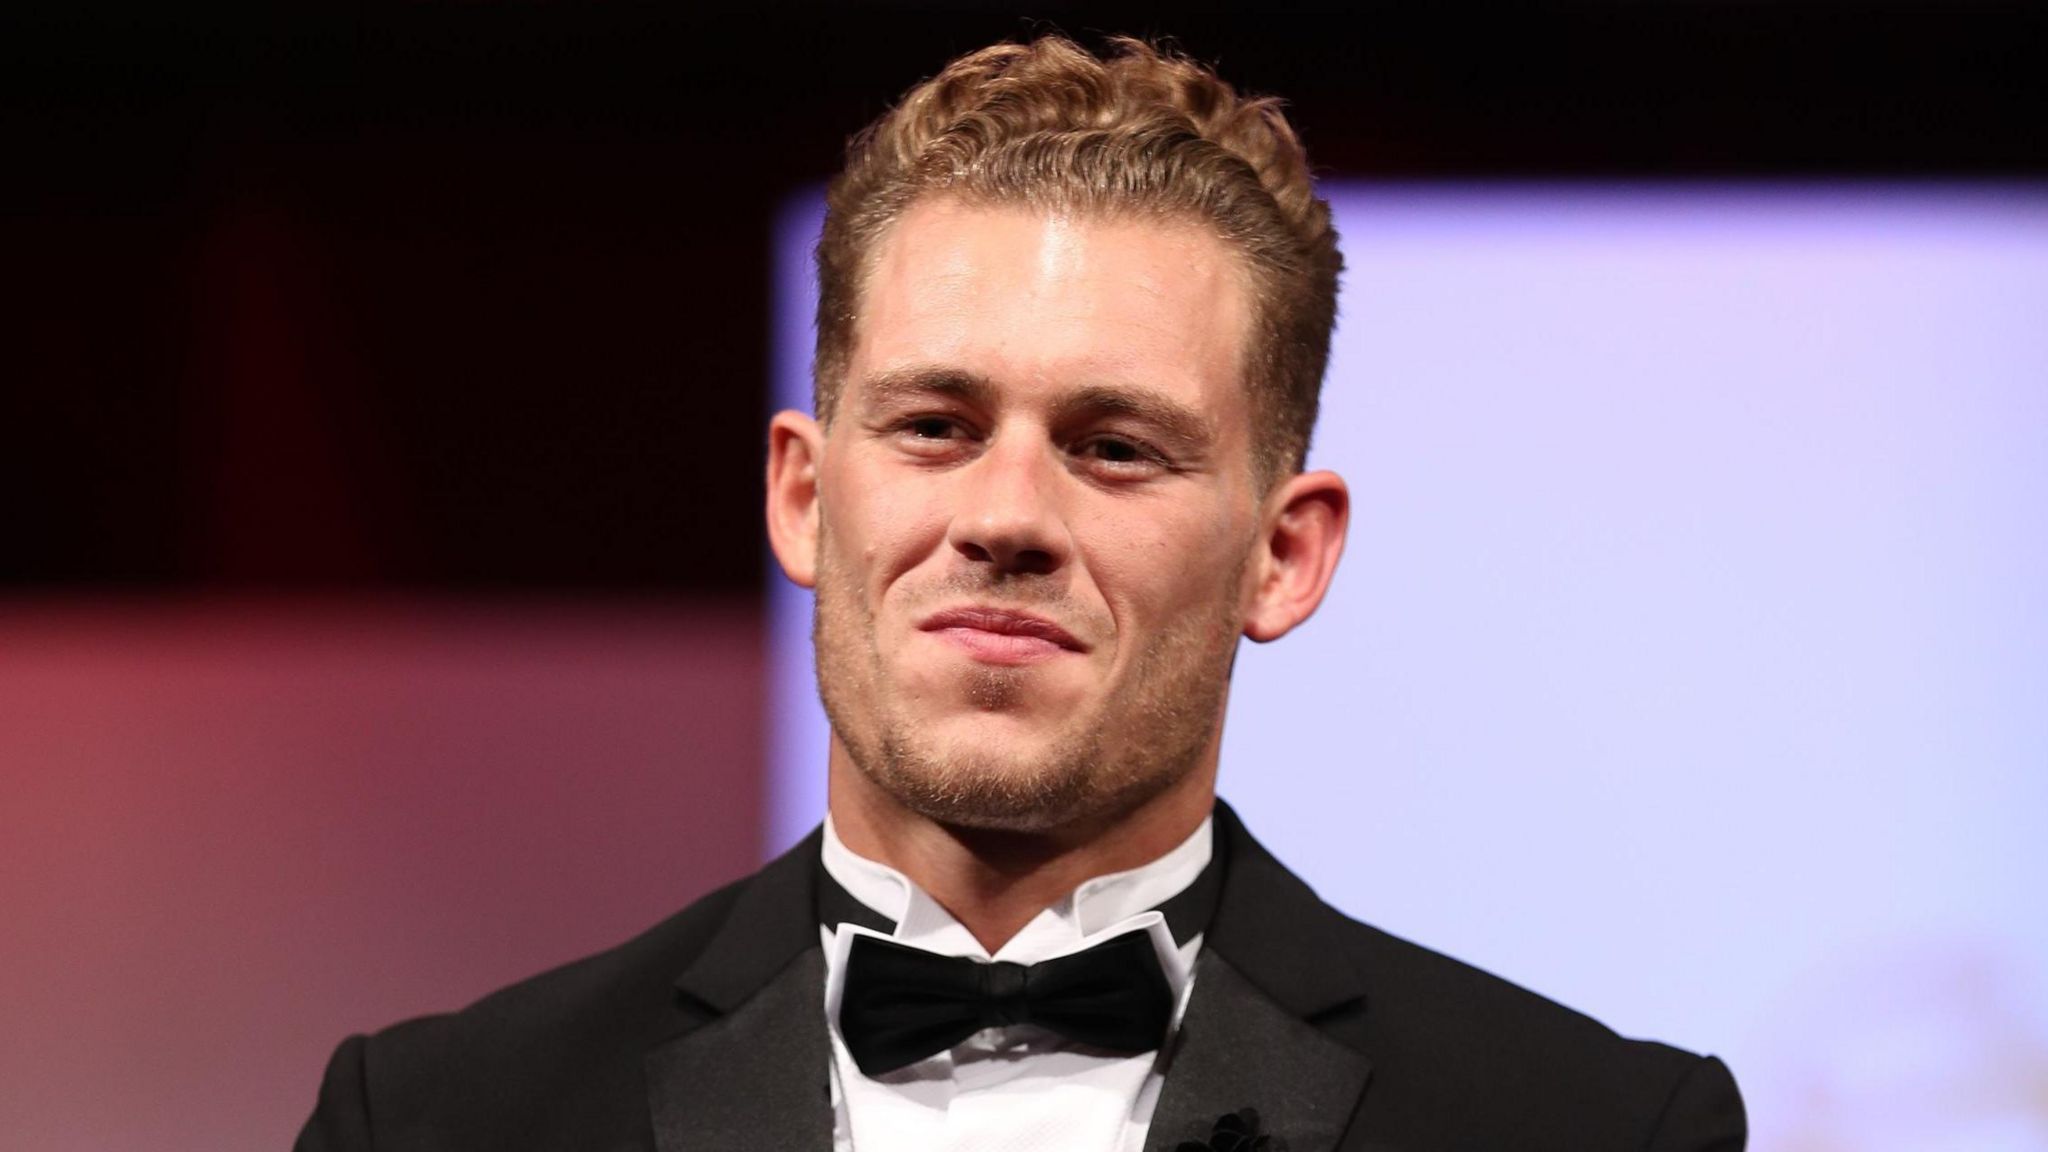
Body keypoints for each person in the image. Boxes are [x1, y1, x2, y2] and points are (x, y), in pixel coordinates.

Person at [297, 34, 1745, 1152]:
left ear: (1284, 554)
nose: (1005, 517)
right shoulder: (443, 1120)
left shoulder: (1584, 1128)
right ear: (804, 494)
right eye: (935, 425)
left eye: (1116, 449)